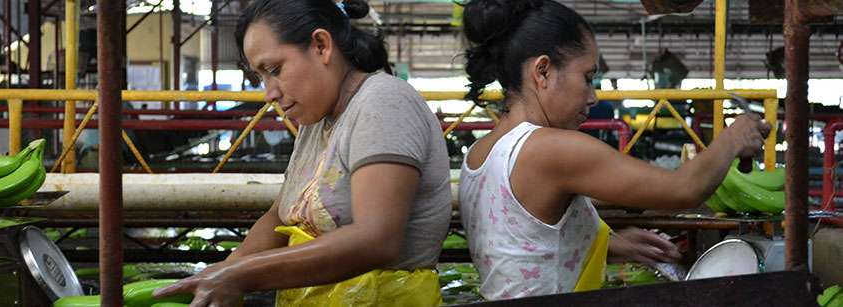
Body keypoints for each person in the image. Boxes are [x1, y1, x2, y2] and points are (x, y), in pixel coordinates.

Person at [457, 0, 771, 300]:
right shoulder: (548, 148)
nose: (593, 98)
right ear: (542, 72)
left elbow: (523, 246)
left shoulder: (481, 152)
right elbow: (683, 189)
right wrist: (732, 139)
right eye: (588, 77)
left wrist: (608, 245)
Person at [152, 0, 452, 306]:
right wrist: (222, 272)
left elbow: (375, 238)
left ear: (321, 46)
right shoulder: (316, 122)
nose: (269, 94)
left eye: (275, 70)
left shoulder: (384, 102)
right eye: (261, 78)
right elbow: (278, 217)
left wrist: (243, 274)